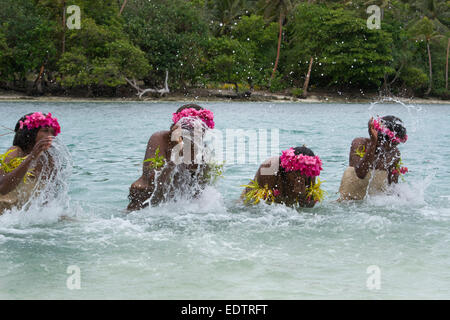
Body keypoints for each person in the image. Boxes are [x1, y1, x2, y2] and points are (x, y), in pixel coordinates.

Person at [127, 104, 215, 211]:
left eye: (199, 129)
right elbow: (151, 180)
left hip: (176, 209)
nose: (194, 133)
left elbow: (200, 188)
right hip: (144, 204)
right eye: (189, 128)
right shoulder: (160, 139)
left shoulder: (202, 150)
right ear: (176, 127)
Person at [0, 112, 60, 214]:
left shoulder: (48, 159)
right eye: (45, 131)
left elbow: (48, 199)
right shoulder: (15, 152)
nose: (50, 136)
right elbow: (2, 188)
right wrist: (32, 156)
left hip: (23, 218)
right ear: (30, 133)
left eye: (52, 132)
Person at [338, 115, 408, 200]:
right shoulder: (360, 144)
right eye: (391, 144)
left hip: (375, 206)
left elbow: (393, 187)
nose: (392, 148)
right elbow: (361, 173)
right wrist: (373, 142)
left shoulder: (394, 154)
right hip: (348, 202)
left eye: (396, 144)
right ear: (380, 137)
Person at [241, 146, 324, 208]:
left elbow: (308, 207)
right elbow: (262, 204)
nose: (300, 176)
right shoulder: (270, 167)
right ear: (287, 167)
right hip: (254, 197)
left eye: (304, 173)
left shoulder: (310, 173)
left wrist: (302, 195)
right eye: (296, 172)